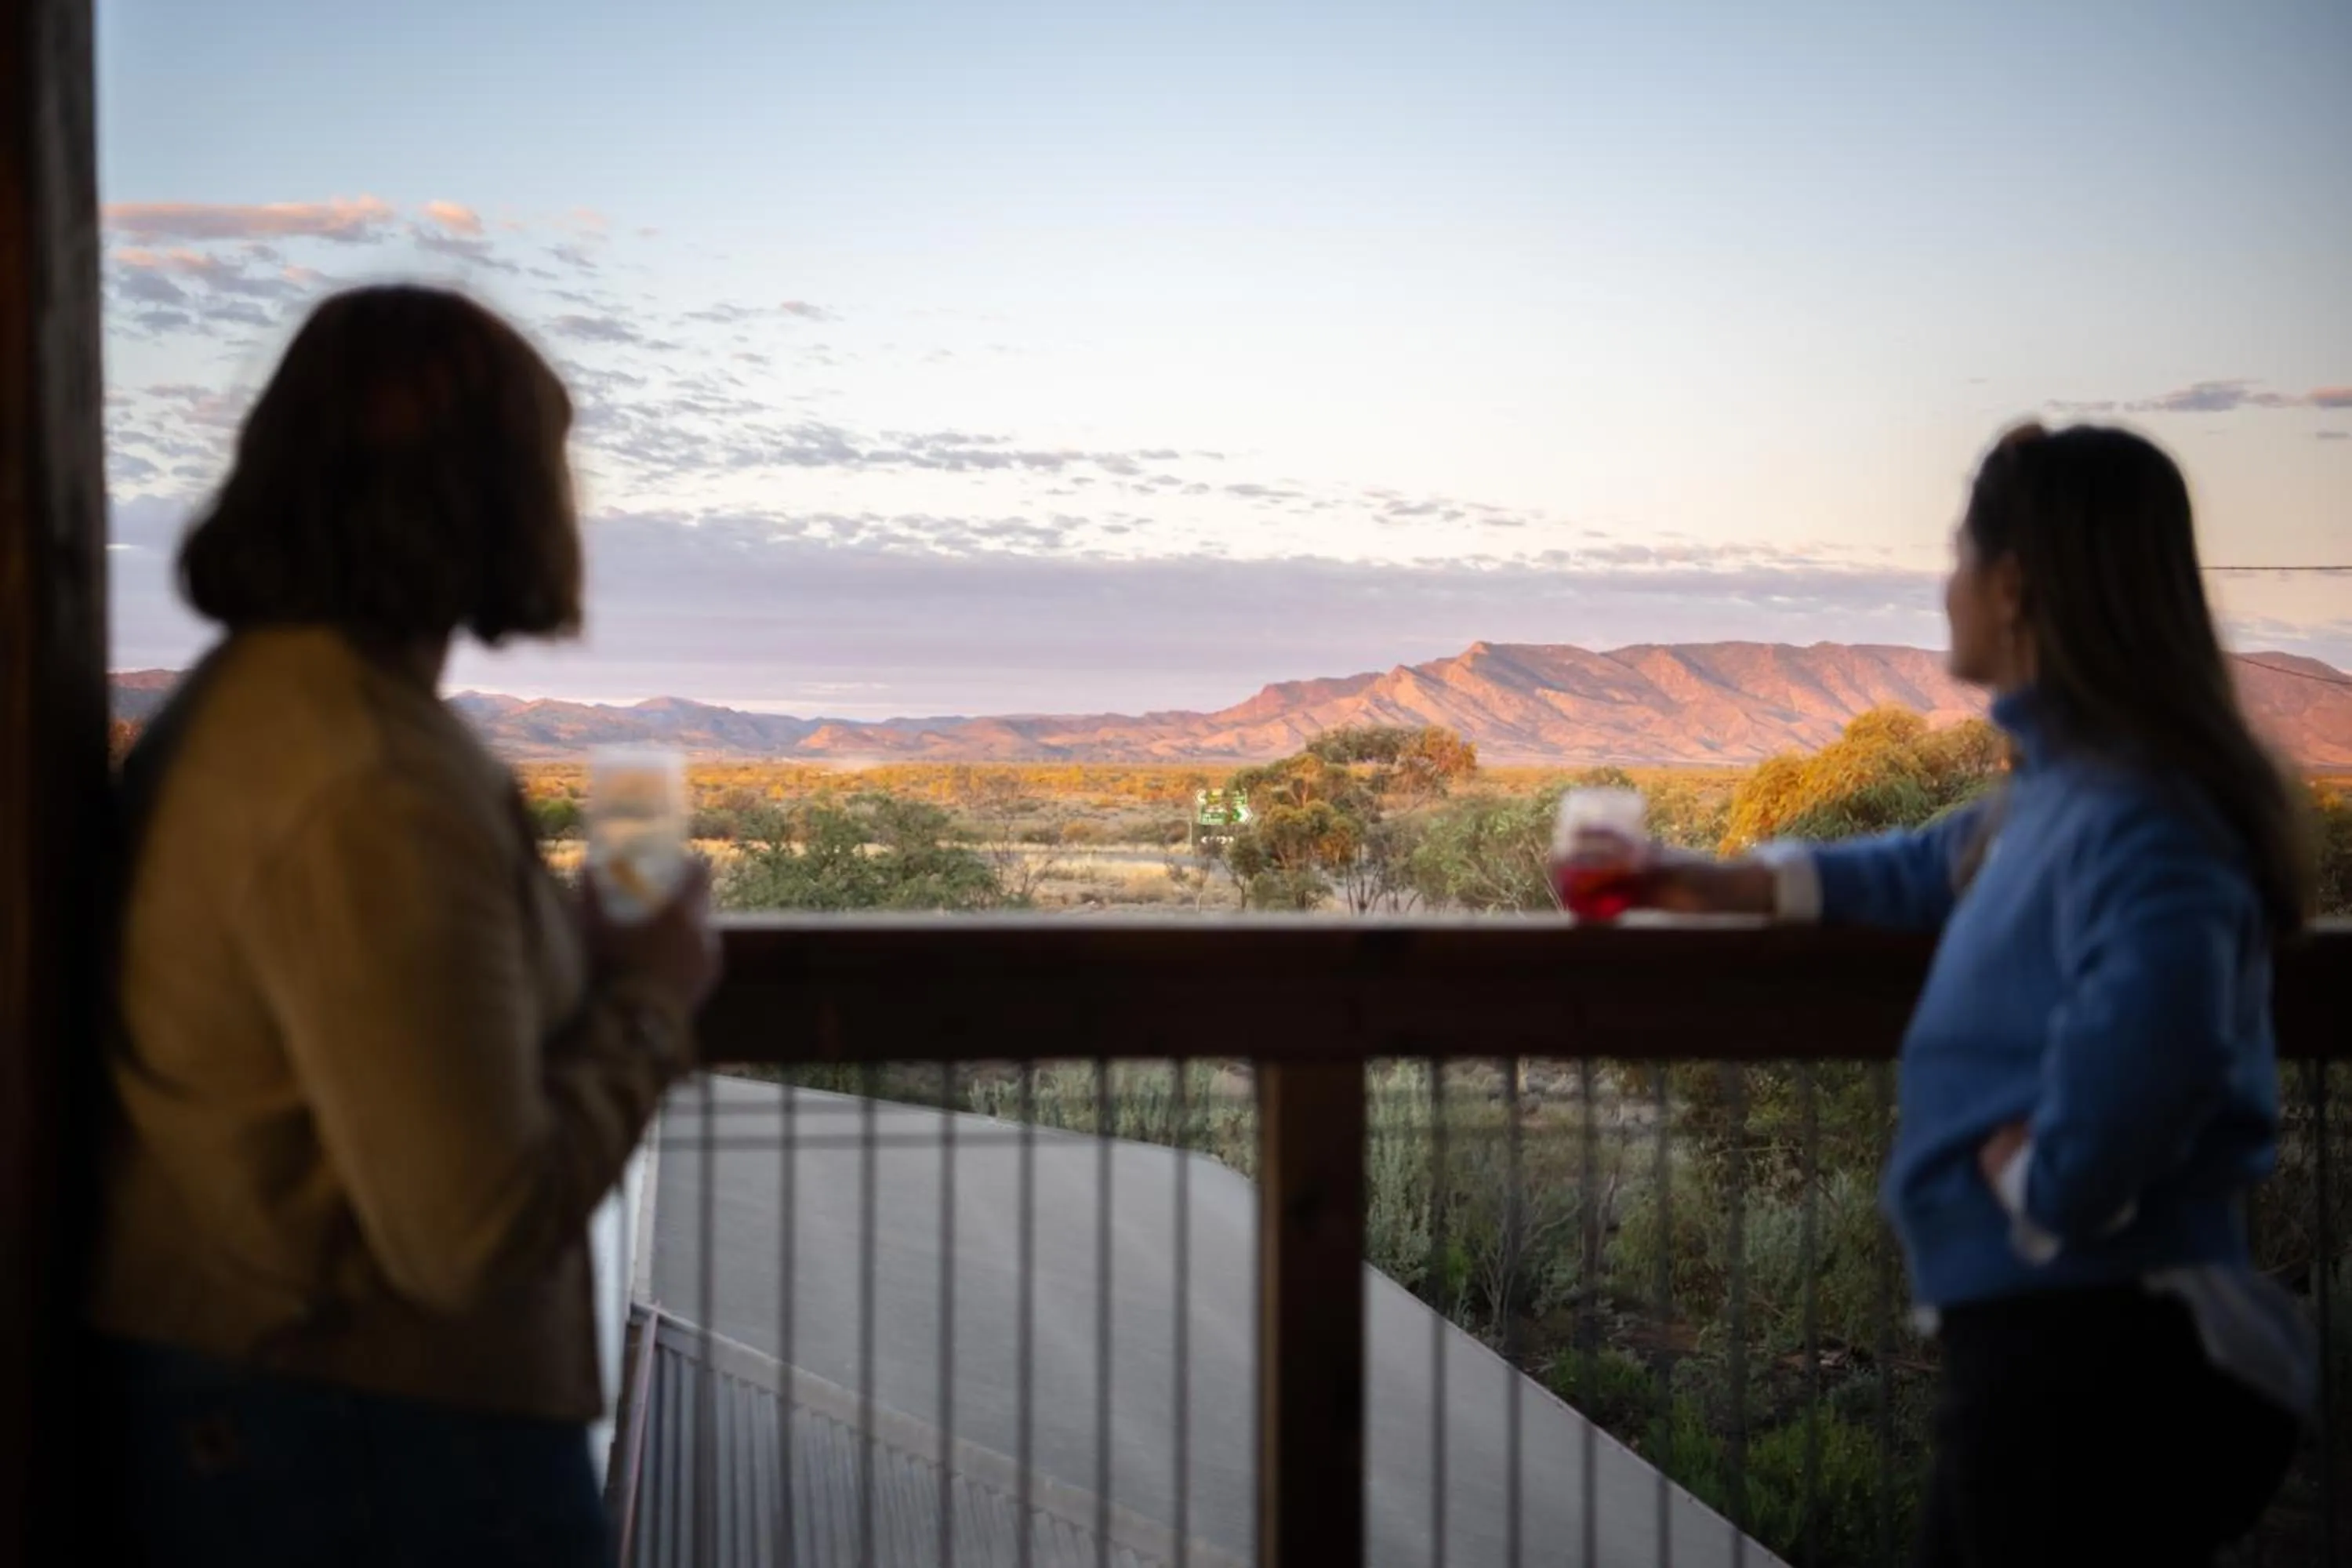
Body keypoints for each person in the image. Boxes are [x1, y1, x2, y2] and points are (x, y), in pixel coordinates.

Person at [92, 285, 720, 1566]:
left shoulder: (277, 711)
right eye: (550, 465)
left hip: (296, 1405)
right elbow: (471, 1233)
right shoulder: (369, 781)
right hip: (376, 1438)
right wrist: (652, 996)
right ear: (484, 494)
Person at [1635, 423, 2315, 1566]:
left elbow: (2164, 1038)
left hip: (2103, 1355)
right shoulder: (2061, 795)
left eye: (1958, 554)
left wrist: (2044, 1182)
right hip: (2054, 1334)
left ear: (2014, 584)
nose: (1943, 586)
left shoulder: (2145, 817)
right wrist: (1716, 881)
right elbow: (1921, 865)